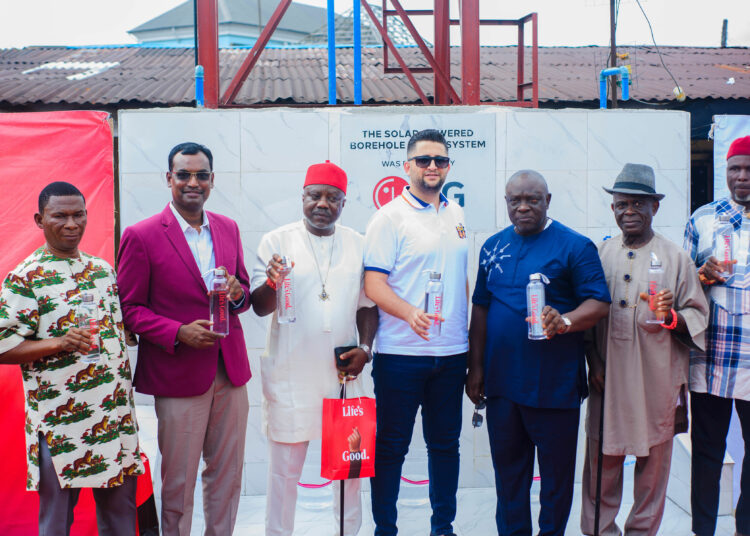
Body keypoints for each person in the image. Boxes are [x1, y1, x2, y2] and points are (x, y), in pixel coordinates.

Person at [117, 142, 252, 536]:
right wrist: (177, 332)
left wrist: (239, 292)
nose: (193, 183)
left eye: (202, 175)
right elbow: (130, 308)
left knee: (227, 475)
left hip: (230, 369)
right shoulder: (141, 236)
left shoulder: (227, 227)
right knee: (178, 480)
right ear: (169, 179)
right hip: (178, 373)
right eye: (184, 175)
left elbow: (241, 287)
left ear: (212, 180)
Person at [466, 170, 610, 536]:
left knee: (556, 482)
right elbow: (481, 307)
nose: (524, 207)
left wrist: (563, 320)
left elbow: (598, 303)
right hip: (501, 386)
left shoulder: (575, 246)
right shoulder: (493, 246)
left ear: (548, 201)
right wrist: (475, 368)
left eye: (533, 199)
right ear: (506, 203)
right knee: (509, 478)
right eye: (516, 200)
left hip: (553, 386)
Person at [0, 181, 144, 536]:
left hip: (113, 417)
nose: (71, 224)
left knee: (121, 517)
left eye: (78, 214)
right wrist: (60, 343)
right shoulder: (25, 278)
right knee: (56, 520)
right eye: (59, 216)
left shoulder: (102, 271)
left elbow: (121, 328)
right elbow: (3, 346)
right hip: (60, 422)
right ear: (39, 219)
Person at [580, 164, 708, 536]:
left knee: (653, 470)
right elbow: (588, 318)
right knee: (601, 467)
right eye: (621, 205)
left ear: (655, 207)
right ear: (613, 209)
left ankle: (642, 532)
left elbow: (698, 315)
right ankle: (600, 531)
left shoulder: (676, 258)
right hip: (607, 379)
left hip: (656, 379)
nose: (629, 212)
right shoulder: (600, 254)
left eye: (638, 204)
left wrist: (671, 317)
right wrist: (593, 363)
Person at [251, 160, 378, 536]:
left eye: (332, 198)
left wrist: (366, 350)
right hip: (291, 375)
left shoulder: (358, 243)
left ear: (343, 203)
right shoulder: (276, 241)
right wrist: (273, 282)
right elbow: (259, 306)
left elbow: (367, 306)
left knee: (349, 471)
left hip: (342, 375)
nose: (322, 204)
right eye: (314, 196)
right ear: (302, 198)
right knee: (283, 473)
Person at [364, 129, 468, 536]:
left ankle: (443, 528)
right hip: (400, 356)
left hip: (452, 354)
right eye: (424, 160)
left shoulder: (456, 213)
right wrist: (410, 313)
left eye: (440, 161)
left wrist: (468, 343)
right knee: (391, 449)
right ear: (407, 167)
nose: (432, 167)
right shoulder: (388, 217)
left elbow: (461, 282)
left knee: (446, 448)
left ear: (448, 167)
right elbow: (373, 285)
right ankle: (385, 529)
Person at [684, 135, 750, 536]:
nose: (741, 177)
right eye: (734, 169)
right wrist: (701, 275)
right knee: (706, 454)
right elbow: (683, 285)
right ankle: (703, 531)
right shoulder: (704, 218)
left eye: (748, 169)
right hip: (712, 357)